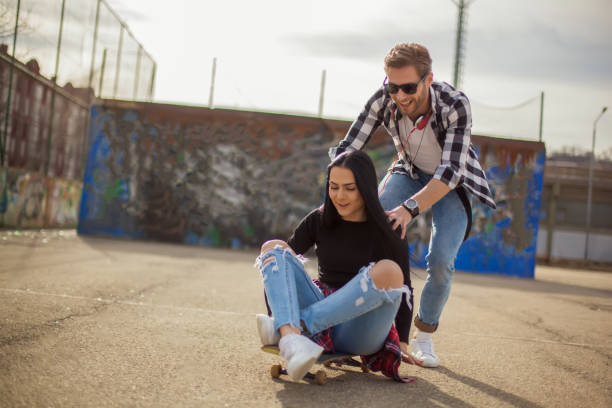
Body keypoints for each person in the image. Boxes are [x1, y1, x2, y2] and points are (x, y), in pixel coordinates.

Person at [329, 43, 496, 368]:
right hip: (407, 171)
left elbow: (449, 173)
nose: (400, 96)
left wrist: (408, 209)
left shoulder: (454, 104)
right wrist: (334, 187)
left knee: (441, 261)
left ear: (428, 79)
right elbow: (349, 147)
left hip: (450, 183)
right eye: (393, 87)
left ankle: (423, 337)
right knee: (367, 235)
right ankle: (353, 328)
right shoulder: (384, 98)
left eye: (408, 87)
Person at [254, 150, 422, 382]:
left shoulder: (390, 227)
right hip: (321, 301)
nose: (339, 196)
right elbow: (281, 274)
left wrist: (402, 341)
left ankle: (293, 327)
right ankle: (291, 336)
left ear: (365, 188)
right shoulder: (319, 219)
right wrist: (277, 311)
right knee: (274, 249)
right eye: (334, 187)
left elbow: (406, 290)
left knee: (390, 271)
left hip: (361, 327)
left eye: (349, 188)